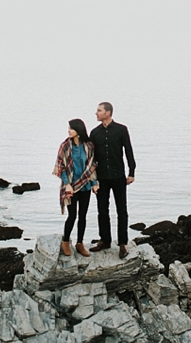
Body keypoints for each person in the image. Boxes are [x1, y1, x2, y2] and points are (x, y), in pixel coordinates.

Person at [89, 102, 135, 259]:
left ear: (108, 113)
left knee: (122, 210)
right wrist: (93, 181)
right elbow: (91, 159)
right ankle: (105, 240)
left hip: (118, 177)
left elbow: (128, 151)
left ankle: (122, 244)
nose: (96, 113)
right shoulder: (94, 133)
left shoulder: (121, 130)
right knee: (102, 210)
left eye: (99, 111)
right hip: (101, 178)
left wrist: (131, 172)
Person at [52, 118, 99, 257]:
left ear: (78, 131)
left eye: (71, 128)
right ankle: (65, 241)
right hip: (71, 186)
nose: (68, 131)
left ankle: (80, 243)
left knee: (83, 216)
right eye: (68, 128)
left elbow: (92, 166)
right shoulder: (65, 146)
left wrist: (94, 183)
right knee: (72, 215)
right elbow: (62, 167)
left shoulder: (89, 146)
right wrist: (67, 184)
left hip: (85, 185)